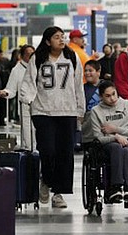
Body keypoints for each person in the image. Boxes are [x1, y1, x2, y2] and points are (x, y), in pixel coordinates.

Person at [20, 26, 85, 209]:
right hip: (43, 111)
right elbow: (29, 81)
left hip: (67, 111)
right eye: (57, 37)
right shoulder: (38, 58)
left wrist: (80, 110)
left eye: (62, 37)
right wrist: (27, 99)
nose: (61, 40)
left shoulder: (72, 57)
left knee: (65, 153)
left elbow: (78, 85)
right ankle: (46, 180)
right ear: (48, 41)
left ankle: (59, 192)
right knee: (48, 150)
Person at [90, 81, 128, 203]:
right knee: (117, 148)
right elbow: (99, 138)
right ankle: (115, 188)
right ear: (101, 97)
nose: (112, 98)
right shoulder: (96, 111)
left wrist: (115, 130)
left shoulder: (127, 105)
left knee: (127, 150)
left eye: (114, 94)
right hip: (109, 144)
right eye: (107, 96)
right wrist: (116, 137)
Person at [0, 44, 35, 149]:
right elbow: (11, 89)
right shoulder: (17, 70)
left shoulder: (39, 67)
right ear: (22, 56)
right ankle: (30, 157)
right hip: (25, 107)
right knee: (27, 137)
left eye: (33, 54)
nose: (31, 57)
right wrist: (5, 92)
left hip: (41, 106)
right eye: (28, 54)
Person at [78, 59, 104, 152]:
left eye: (90, 70)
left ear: (98, 72)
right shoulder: (81, 89)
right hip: (89, 128)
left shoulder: (106, 86)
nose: (87, 73)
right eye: (86, 71)